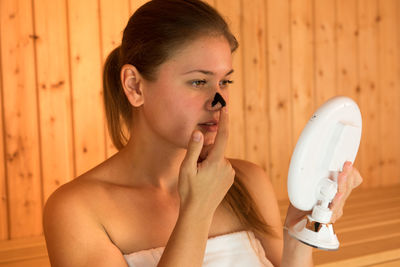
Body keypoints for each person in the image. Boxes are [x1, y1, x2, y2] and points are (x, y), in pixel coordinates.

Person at [43, 0, 363, 266]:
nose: (219, 99)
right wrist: (197, 211)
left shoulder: (248, 181)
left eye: (225, 81)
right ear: (135, 86)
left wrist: (303, 225)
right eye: (199, 81)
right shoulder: (76, 210)